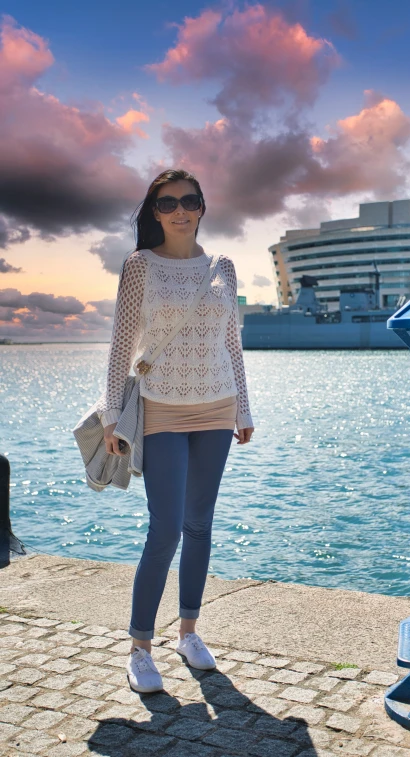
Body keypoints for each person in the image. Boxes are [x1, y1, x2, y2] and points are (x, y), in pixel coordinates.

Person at [99, 168, 255, 693]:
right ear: (154, 213)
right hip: (161, 408)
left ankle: (188, 631)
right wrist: (110, 416)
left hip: (216, 408)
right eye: (167, 204)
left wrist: (244, 410)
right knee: (164, 528)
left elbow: (232, 342)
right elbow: (122, 346)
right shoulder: (140, 266)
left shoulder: (223, 267)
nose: (180, 210)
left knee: (200, 525)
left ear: (203, 207)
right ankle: (140, 647)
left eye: (189, 201)